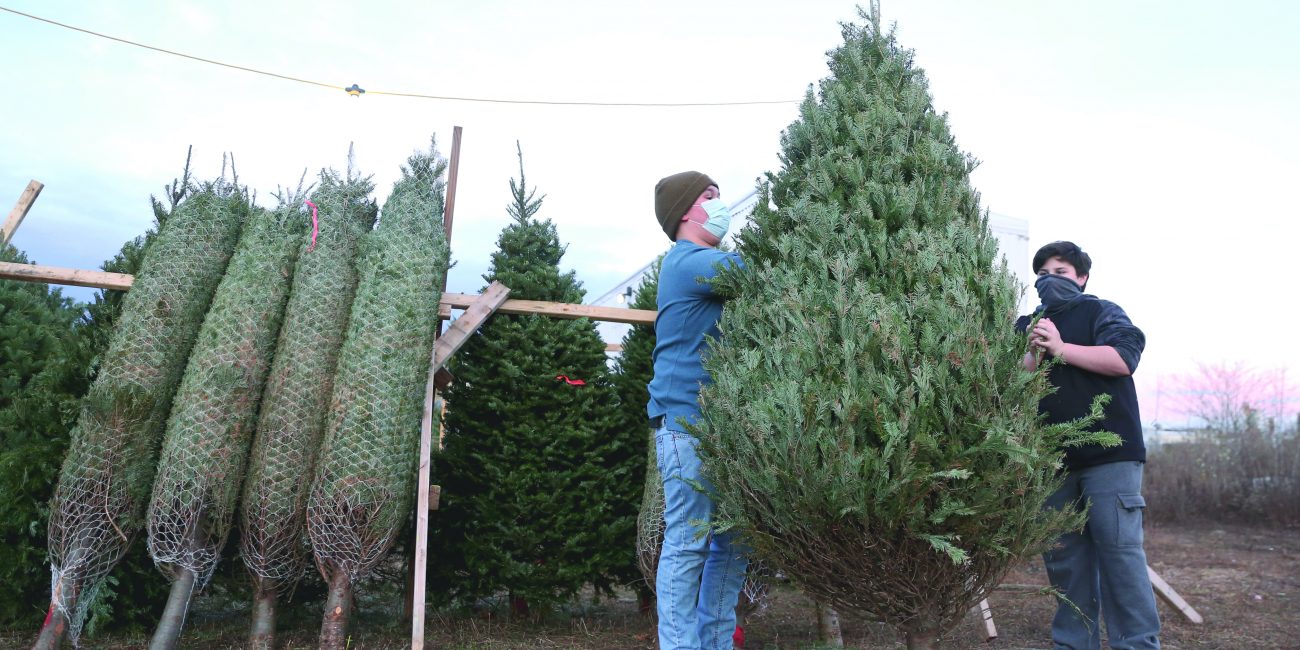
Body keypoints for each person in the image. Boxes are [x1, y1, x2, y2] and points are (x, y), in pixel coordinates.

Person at [1017, 241, 1161, 650]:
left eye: (1060, 272)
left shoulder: (1102, 311)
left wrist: (1061, 349)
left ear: (1081, 278)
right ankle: (1073, 645)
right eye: (1042, 274)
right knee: (1065, 562)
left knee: (1120, 557)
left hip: (1111, 457)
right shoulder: (1028, 323)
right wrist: (1033, 352)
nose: (1049, 280)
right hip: (1052, 461)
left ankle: (1136, 645)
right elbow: (1013, 386)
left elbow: (1123, 359)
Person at [646, 171, 748, 650]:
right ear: (686, 211)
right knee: (688, 543)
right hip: (688, 426)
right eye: (710, 197)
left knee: (734, 542)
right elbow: (757, 275)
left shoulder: (705, 262)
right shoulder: (689, 262)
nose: (720, 204)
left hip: (726, 430)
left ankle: (715, 643)